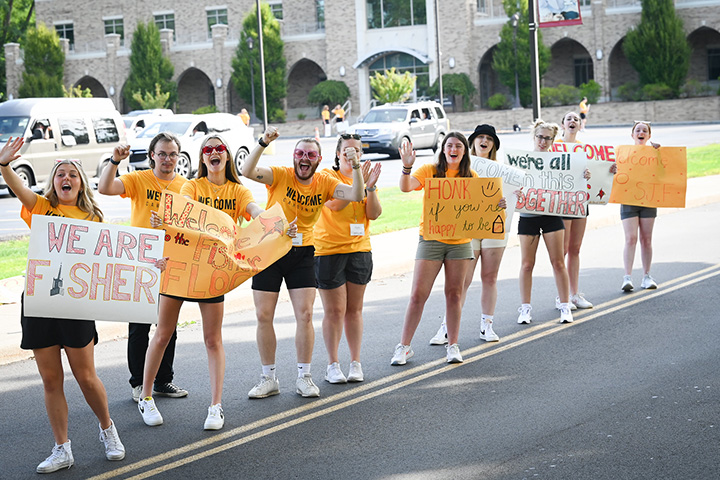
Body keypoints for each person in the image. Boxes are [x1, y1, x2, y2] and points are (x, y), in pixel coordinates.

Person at [138, 135, 286, 430]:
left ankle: (215, 407)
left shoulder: (237, 191)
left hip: (212, 274)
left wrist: (274, 223)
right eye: (208, 149)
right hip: (180, 267)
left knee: (212, 339)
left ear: (227, 157)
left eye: (219, 149)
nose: (214, 153)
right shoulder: (192, 186)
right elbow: (180, 213)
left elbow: (255, 213)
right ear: (202, 158)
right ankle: (145, 396)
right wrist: (160, 222)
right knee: (163, 333)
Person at [0, 138, 126, 473]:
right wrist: (4, 165)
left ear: (81, 182)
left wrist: (147, 266)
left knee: (85, 376)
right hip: (40, 301)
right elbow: (17, 188)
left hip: (75, 304)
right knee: (51, 379)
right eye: (60, 174)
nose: (65, 178)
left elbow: (113, 260)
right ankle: (62, 449)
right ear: (53, 183)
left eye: (72, 173)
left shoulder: (93, 217)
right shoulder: (41, 207)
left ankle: (108, 430)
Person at [241, 127, 365, 398]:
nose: (304, 158)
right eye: (299, 153)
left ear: (319, 160)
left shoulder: (324, 182)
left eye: (310, 154)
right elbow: (247, 171)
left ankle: (304, 376)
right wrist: (263, 142)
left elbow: (356, 194)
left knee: (305, 315)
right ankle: (268, 377)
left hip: (303, 254)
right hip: (270, 250)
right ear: (293, 157)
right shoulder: (281, 175)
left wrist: (355, 165)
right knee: (264, 315)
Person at [98, 132, 189, 404]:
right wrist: (115, 160)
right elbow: (105, 188)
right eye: (162, 153)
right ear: (152, 155)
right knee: (139, 327)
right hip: (140, 262)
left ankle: (163, 381)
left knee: (167, 327)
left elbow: (190, 226)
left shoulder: (186, 186)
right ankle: (138, 382)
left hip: (170, 263)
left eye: (172, 154)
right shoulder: (139, 179)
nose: (167, 159)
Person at [391, 132, 477, 366]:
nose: (454, 149)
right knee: (418, 294)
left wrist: (496, 204)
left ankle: (453, 345)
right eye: (449, 145)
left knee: (455, 294)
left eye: (459, 146)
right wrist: (407, 168)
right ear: (443, 149)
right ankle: (404, 347)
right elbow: (406, 187)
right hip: (430, 239)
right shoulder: (429, 171)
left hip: (459, 243)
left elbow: (481, 208)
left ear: (464, 151)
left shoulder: (471, 176)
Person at [429, 124, 509, 345]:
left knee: (490, 277)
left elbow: (515, 195)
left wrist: (504, 201)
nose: (484, 141)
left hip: (494, 225)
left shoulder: (502, 170)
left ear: (494, 144)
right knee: (462, 281)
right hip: (469, 226)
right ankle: (446, 328)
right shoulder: (462, 166)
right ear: (472, 142)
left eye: (489, 139)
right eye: (480, 137)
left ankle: (487, 325)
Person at [314, 133, 382, 384]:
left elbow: (373, 214)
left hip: (359, 249)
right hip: (329, 250)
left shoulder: (363, 177)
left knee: (354, 310)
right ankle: (333, 364)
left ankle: (355, 362)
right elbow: (334, 204)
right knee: (334, 311)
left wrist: (370, 187)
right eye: (348, 150)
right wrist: (358, 179)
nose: (353, 153)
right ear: (338, 154)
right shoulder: (327, 176)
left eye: (357, 150)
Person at [517, 120, 574, 325]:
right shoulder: (521, 160)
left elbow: (573, 181)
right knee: (526, 264)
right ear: (534, 136)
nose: (543, 141)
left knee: (558, 261)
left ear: (553, 139)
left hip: (551, 214)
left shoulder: (559, 160)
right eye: (540, 136)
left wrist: (583, 175)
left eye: (547, 138)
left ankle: (565, 306)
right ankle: (525, 309)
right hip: (527, 215)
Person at [620, 121, 660, 292]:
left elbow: (665, 172)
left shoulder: (655, 153)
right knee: (631, 239)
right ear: (632, 135)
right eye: (638, 130)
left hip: (648, 200)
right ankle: (627, 277)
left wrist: (660, 154)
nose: (641, 132)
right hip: (628, 199)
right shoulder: (624, 154)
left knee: (647, 239)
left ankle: (646, 276)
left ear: (649, 135)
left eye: (645, 130)